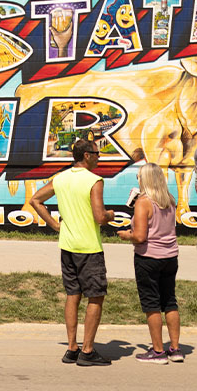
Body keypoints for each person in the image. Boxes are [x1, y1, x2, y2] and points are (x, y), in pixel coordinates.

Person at [31, 138, 116, 367]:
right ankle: (87, 351)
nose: (99, 157)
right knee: (96, 296)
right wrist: (110, 215)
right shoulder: (94, 180)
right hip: (89, 247)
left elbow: (35, 199)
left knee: (72, 294)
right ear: (86, 155)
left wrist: (54, 225)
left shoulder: (61, 177)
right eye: (97, 154)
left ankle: (72, 348)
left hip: (67, 245)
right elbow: (99, 217)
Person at [117, 163, 185, 364]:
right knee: (170, 301)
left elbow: (139, 236)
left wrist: (125, 234)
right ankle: (175, 348)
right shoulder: (170, 199)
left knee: (152, 304)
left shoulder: (143, 202)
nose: (137, 180)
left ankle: (157, 352)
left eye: (139, 176)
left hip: (148, 258)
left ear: (145, 179)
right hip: (170, 256)